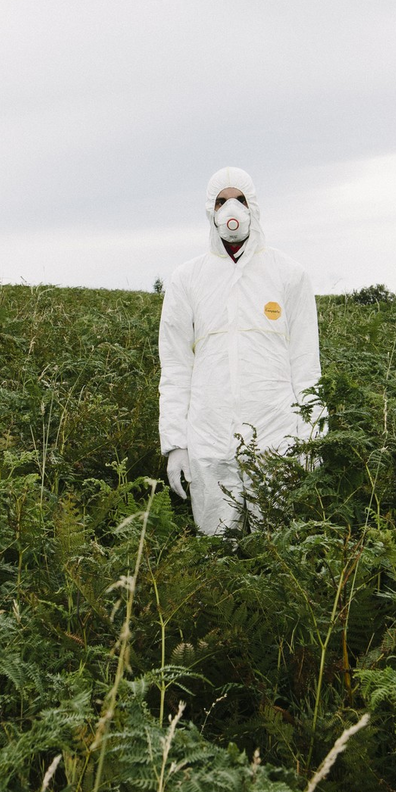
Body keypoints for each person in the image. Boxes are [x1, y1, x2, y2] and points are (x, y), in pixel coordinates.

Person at [157, 166, 322, 534]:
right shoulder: (187, 279)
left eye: (240, 199)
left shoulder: (288, 274)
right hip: (209, 440)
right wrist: (176, 444)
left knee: (278, 549)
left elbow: (306, 365)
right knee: (216, 550)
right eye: (221, 201)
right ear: (210, 210)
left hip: (277, 439)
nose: (231, 209)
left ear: (254, 206)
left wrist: (312, 438)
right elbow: (176, 367)